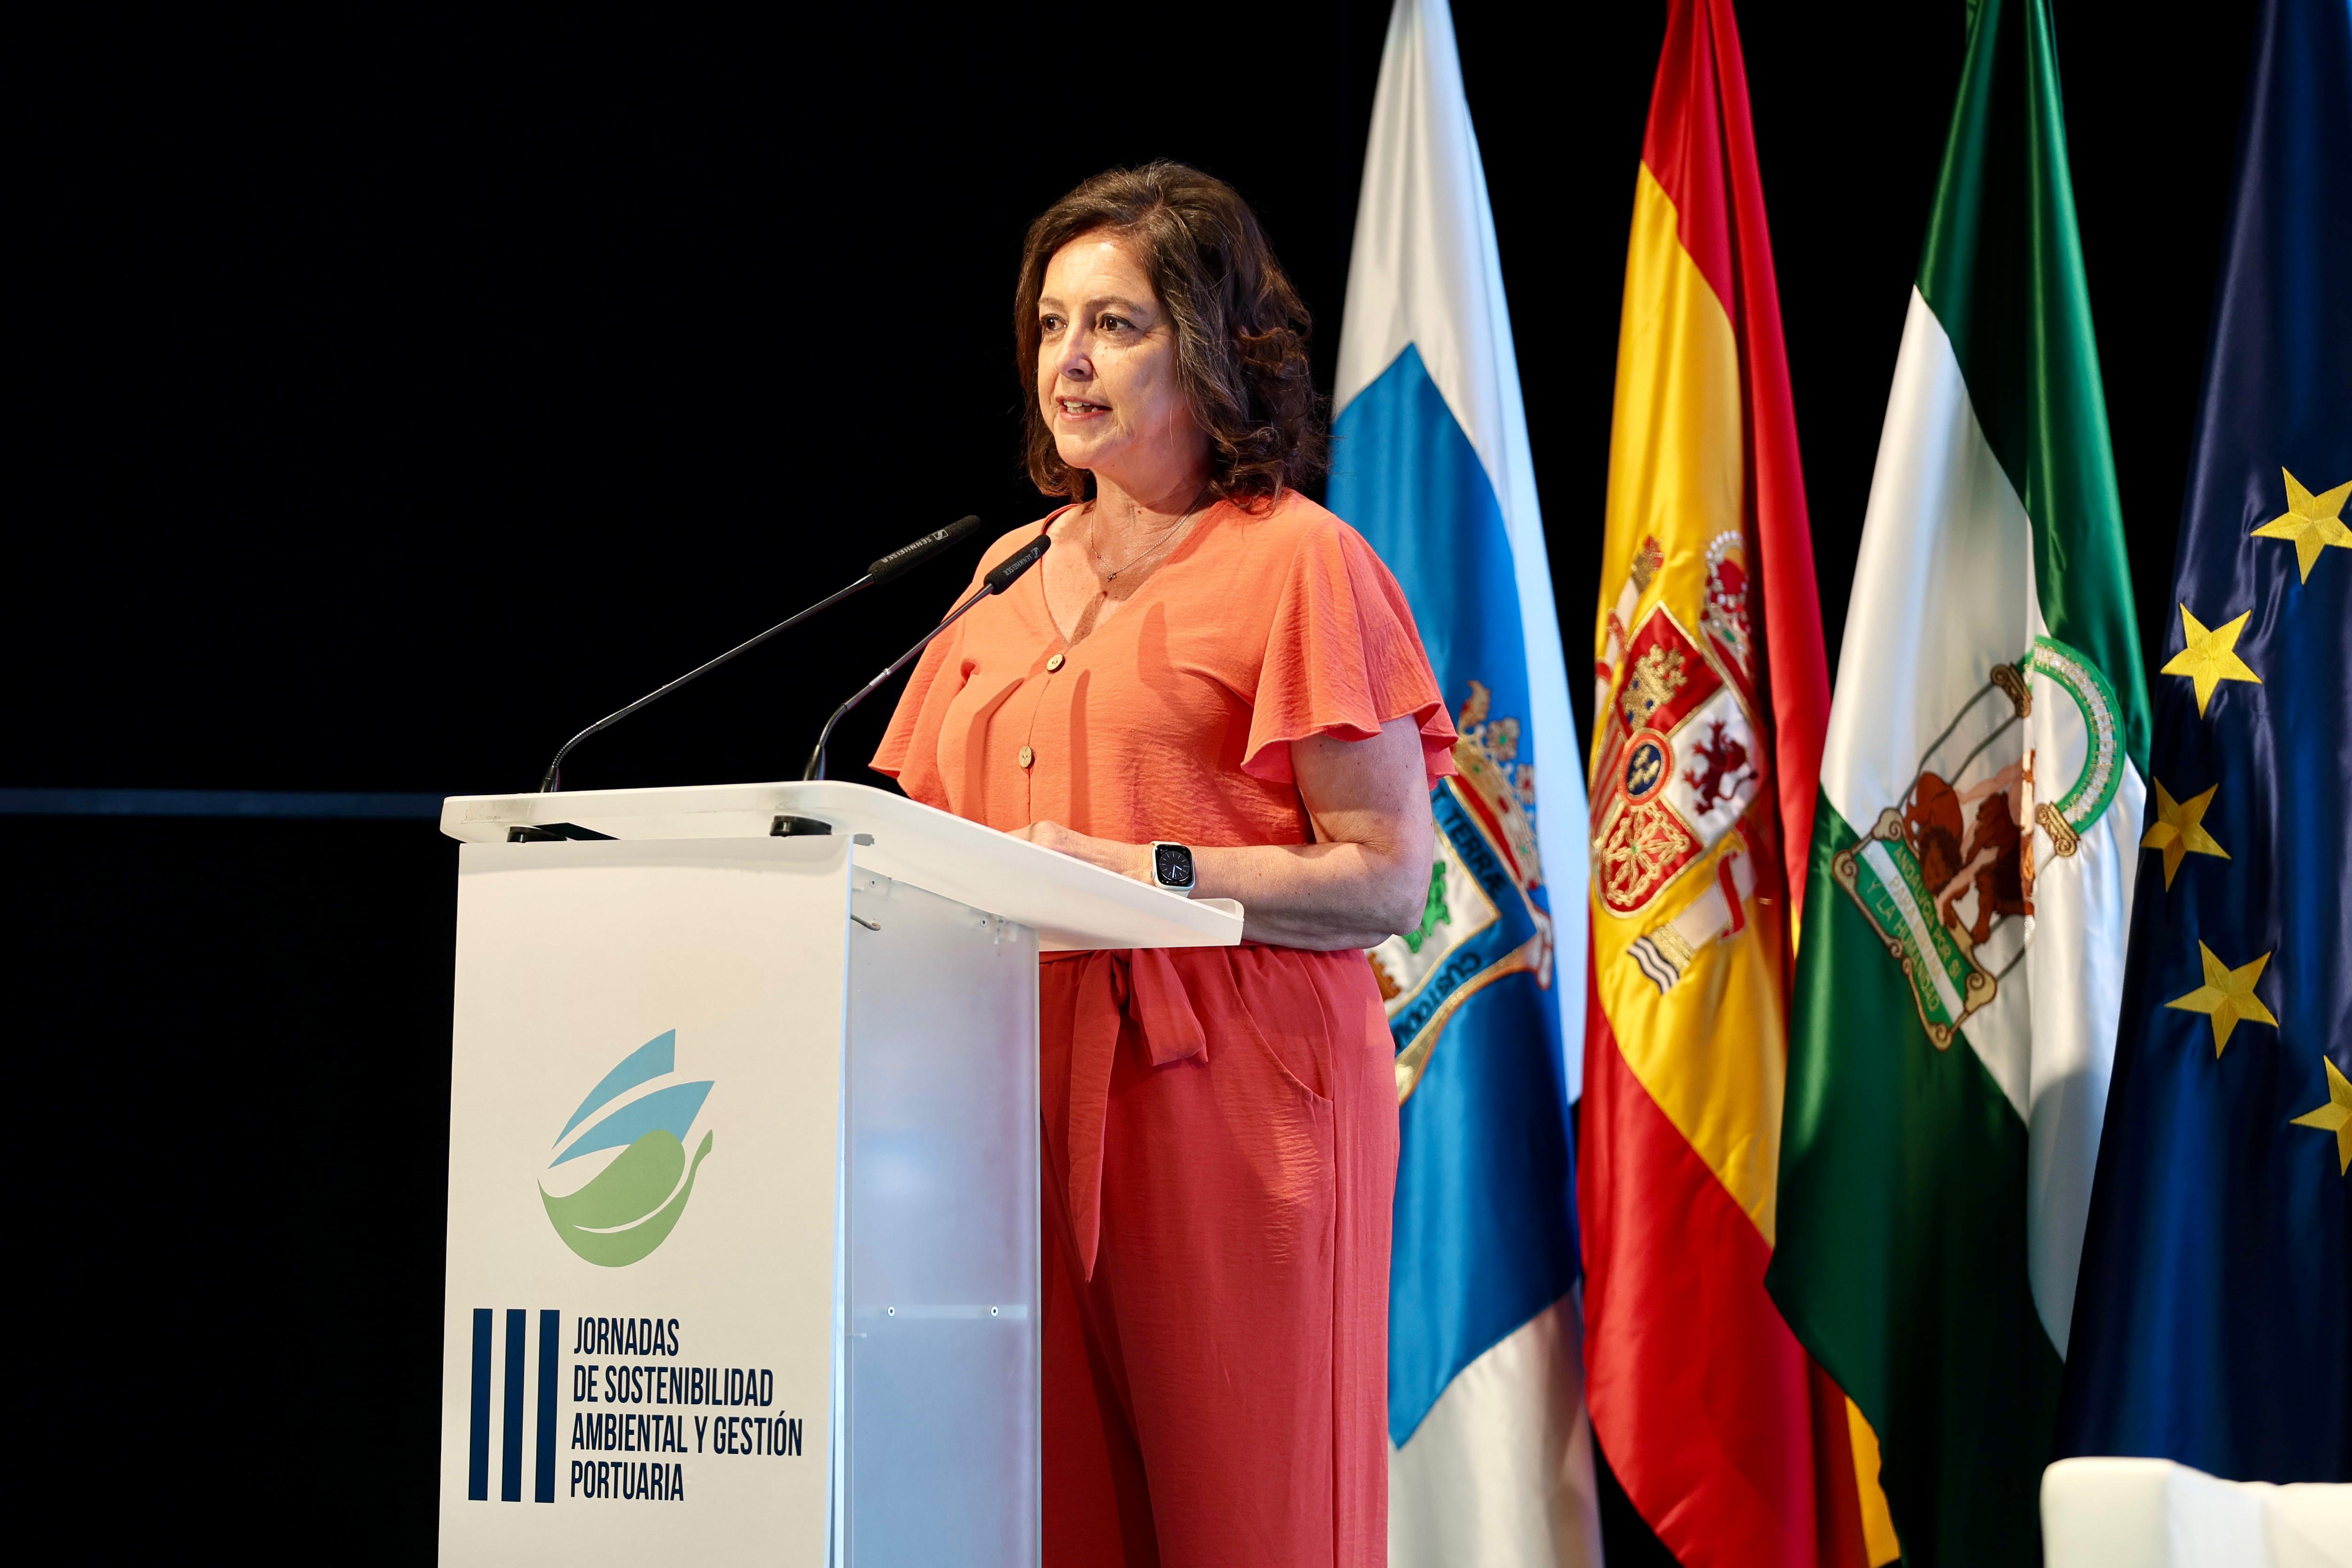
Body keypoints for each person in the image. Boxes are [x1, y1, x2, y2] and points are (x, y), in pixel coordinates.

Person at [874, 161, 1453, 1568]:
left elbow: (1390, 875)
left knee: (1249, 1516)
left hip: (1237, 1101)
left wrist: (1153, 872)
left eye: (1118, 324)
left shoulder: (1297, 563)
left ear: (1210, 344)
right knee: (1057, 1520)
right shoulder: (1002, 572)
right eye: (1054, 323)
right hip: (1013, 1100)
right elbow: (910, 840)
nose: (1071, 360)